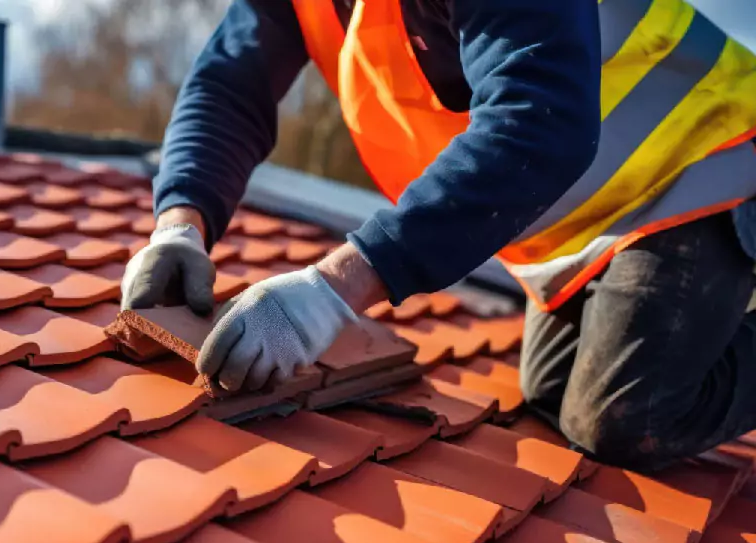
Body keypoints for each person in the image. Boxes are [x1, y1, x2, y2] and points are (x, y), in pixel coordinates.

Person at [120, 0, 756, 472]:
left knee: (623, 418)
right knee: (554, 399)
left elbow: (542, 124)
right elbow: (231, 84)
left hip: (708, 163)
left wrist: (333, 289)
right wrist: (181, 224)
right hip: (597, 226)